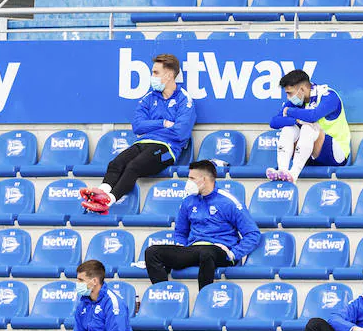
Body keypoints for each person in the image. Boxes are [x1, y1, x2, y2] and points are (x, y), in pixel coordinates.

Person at [81, 54, 196, 215]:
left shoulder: (184, 100)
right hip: (142, 143)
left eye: (155, 73)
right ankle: (99, 194)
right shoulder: (148, 98)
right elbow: (137, 126)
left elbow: (180, 132)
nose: (152, 77)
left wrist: (151, 127)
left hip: (167, 150)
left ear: (169, 75)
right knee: (115, 163)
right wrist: (162, 123)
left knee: (133, 166)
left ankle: (108, 200)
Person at [144, 159, 262, 290]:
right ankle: (163, 295)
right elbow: (181, 232)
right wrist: (181, 247)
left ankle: (204, 298)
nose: (188, 182)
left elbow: (253, 234)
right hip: (194, 249)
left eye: (192, 178)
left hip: (219, 250)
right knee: (152, 252)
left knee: (207, 252)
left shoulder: (228, 202)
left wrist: (234, 254)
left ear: (204, 180)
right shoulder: (188, 201)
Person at [266, 68, 351, 183]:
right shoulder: (297, 100)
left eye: (289, 93)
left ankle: (294, 174)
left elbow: (313, 116)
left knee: (308, 127)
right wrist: (296, 121)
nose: (288, 98)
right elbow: (274, 122)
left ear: (301, 89)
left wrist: (289, 112)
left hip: (336, 155)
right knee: (288, 129)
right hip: (308, 155)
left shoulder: (329, 96)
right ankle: (283, 171)